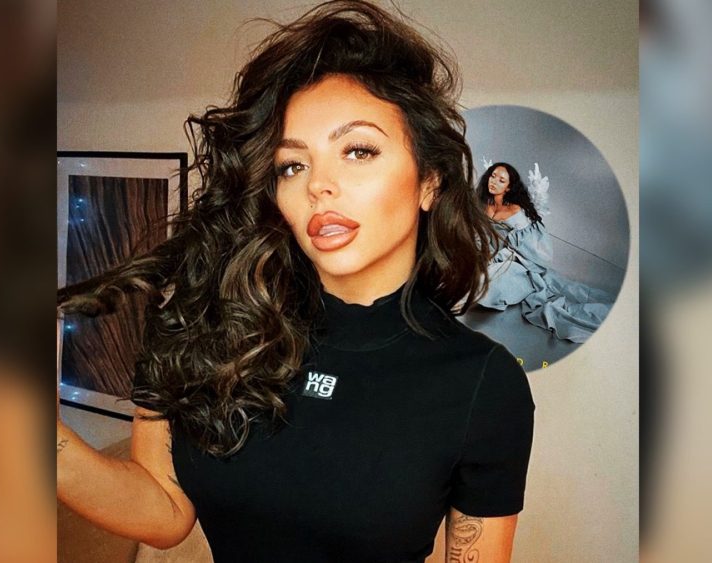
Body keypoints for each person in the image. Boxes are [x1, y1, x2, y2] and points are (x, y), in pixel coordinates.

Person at [56, 3, 534, 562]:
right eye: (292, 165)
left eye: (358, 150)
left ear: (430, 181)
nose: (318, 186)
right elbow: (162, 511)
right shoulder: (204, 323)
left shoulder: (482, 383)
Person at [477, 161, 614, 343]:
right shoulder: (483, 203)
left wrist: (500, 256)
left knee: (486, 284)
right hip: (489, 256)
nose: (494, 182)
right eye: (493, 176)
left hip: (519, 264)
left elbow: (532, 250)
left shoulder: (516, 211)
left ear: (509, 187)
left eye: (501, 180)